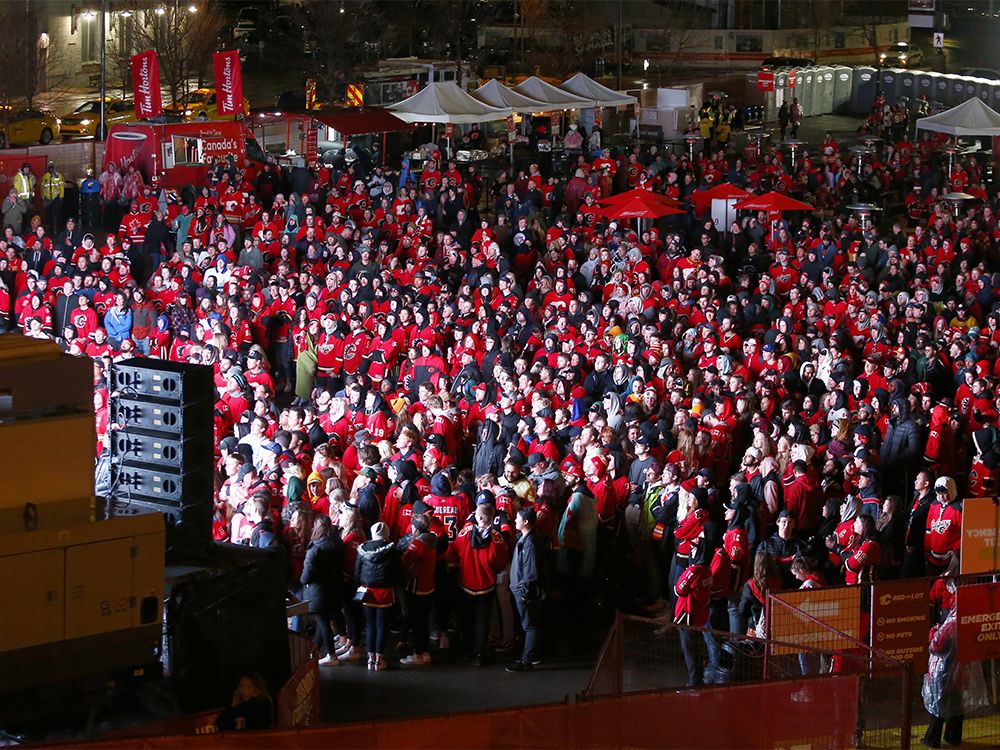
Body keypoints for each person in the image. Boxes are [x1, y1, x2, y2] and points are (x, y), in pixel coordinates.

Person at [355, 521, 400, 671]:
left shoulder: (362, 549)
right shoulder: (393, 551)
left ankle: (370, 659)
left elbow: (357, 572)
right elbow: (397, 571)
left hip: (367, 592)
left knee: (370, 626)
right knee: (382, 626)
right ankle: (380, 660)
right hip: (386, 592)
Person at [507, 507, 547, 673]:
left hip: (524, 591)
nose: (515, 520)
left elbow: (530, 572)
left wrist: (524, 593)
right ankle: (532, 654)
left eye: (517, 518)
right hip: (523, 589)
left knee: (529, 625)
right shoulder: (527, 539)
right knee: (531, 624)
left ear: (526, 522)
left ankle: (526, 660)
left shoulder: (529, 544)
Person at [301, 514, 344, 666]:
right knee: (322, 622)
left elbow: (307, 574)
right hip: (334, 588)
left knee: (323, 622)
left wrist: (302, 580)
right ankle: (314, 652)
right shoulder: (338, 543)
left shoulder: (315, 548)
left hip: (317, 592)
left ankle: (331, 655)